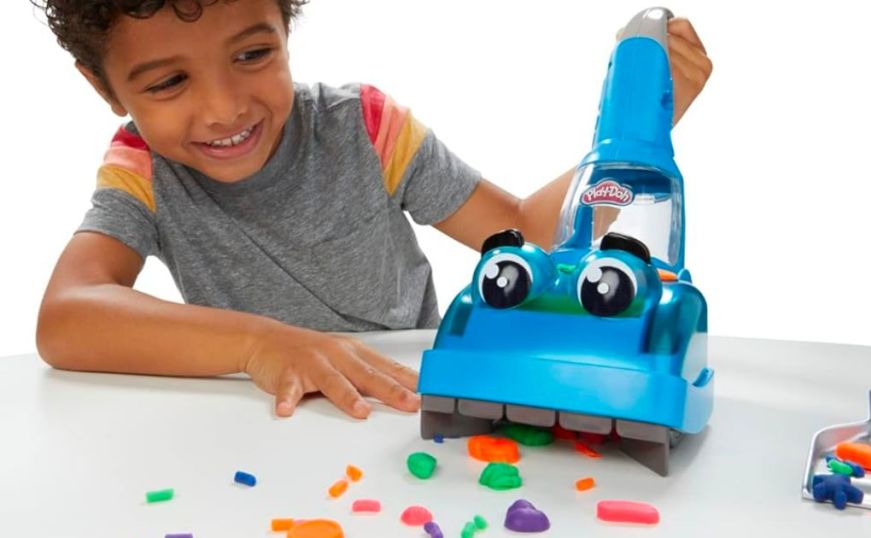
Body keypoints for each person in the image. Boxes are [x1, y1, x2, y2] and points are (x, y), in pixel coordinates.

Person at [32, 0, 712, 418]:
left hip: (402, 404)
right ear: (105, 87)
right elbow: (69, 315)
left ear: (286, 23)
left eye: (253, 53)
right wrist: (259, 343)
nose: (225, 107)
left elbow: (529, 237)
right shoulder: (141, 169)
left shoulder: (363, 125)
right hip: (264, 416)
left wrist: (638, 138)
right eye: (171, 81)